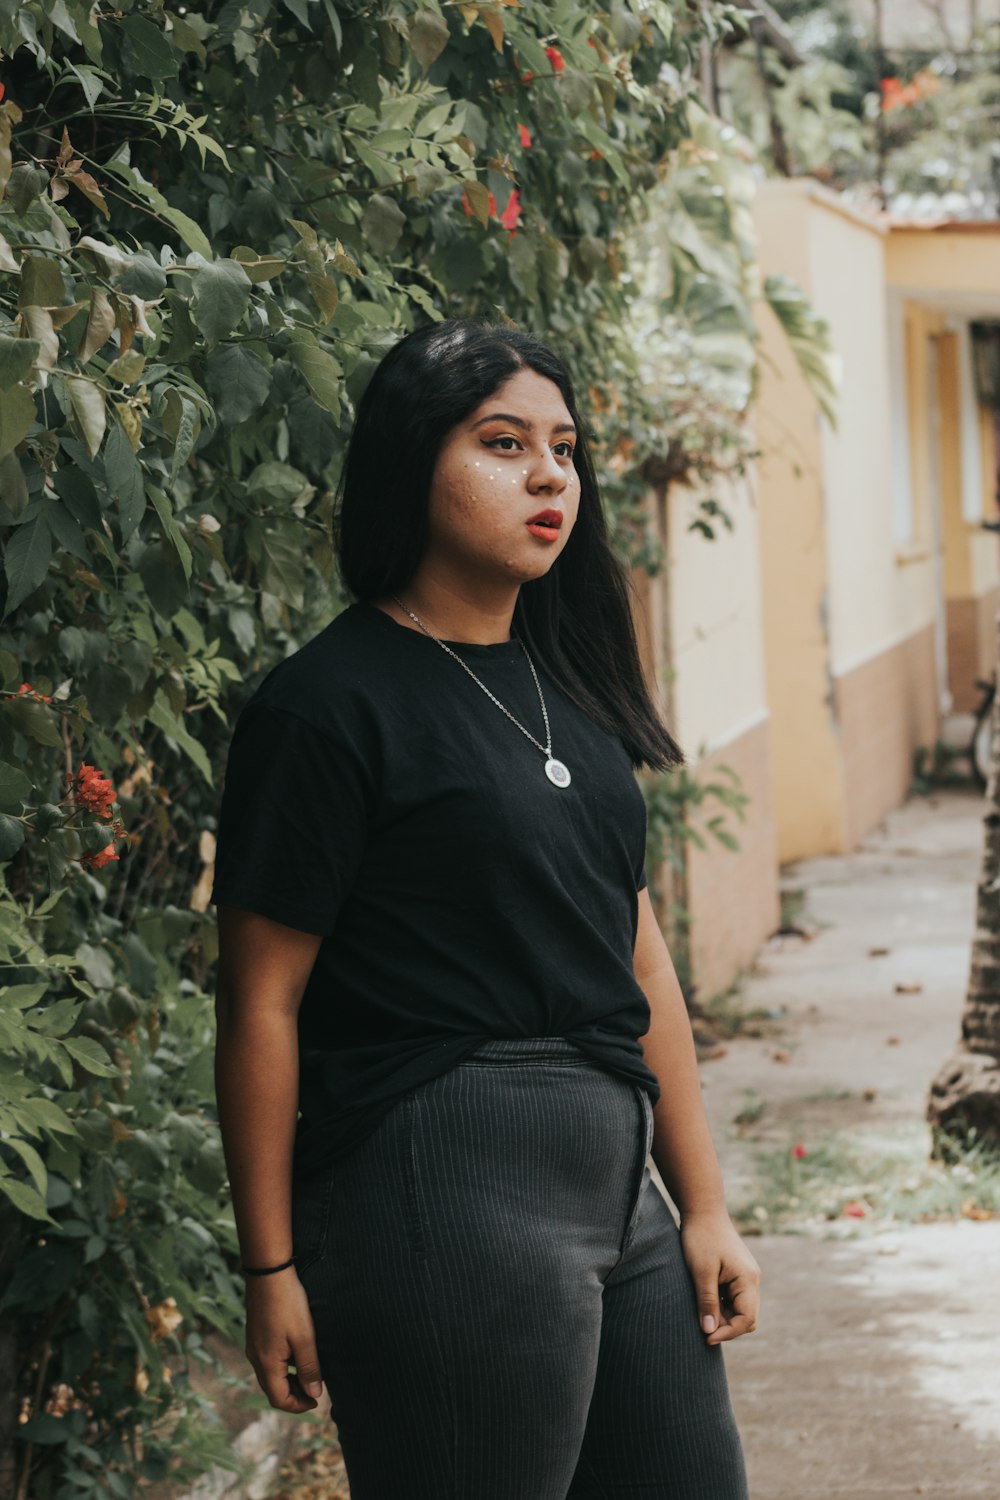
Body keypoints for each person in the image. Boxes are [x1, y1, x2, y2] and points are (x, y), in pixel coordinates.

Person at [211, 316, 759, 1499]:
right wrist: (271, 1268)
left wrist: (702, 1203)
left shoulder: (574, 692)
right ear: (415, 461)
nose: (548, 474)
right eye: (502, 443)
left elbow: (637, 956)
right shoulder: (327, 707)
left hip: (619, 1182)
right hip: (441, 1171)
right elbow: (261, 1000)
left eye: (563, 447)